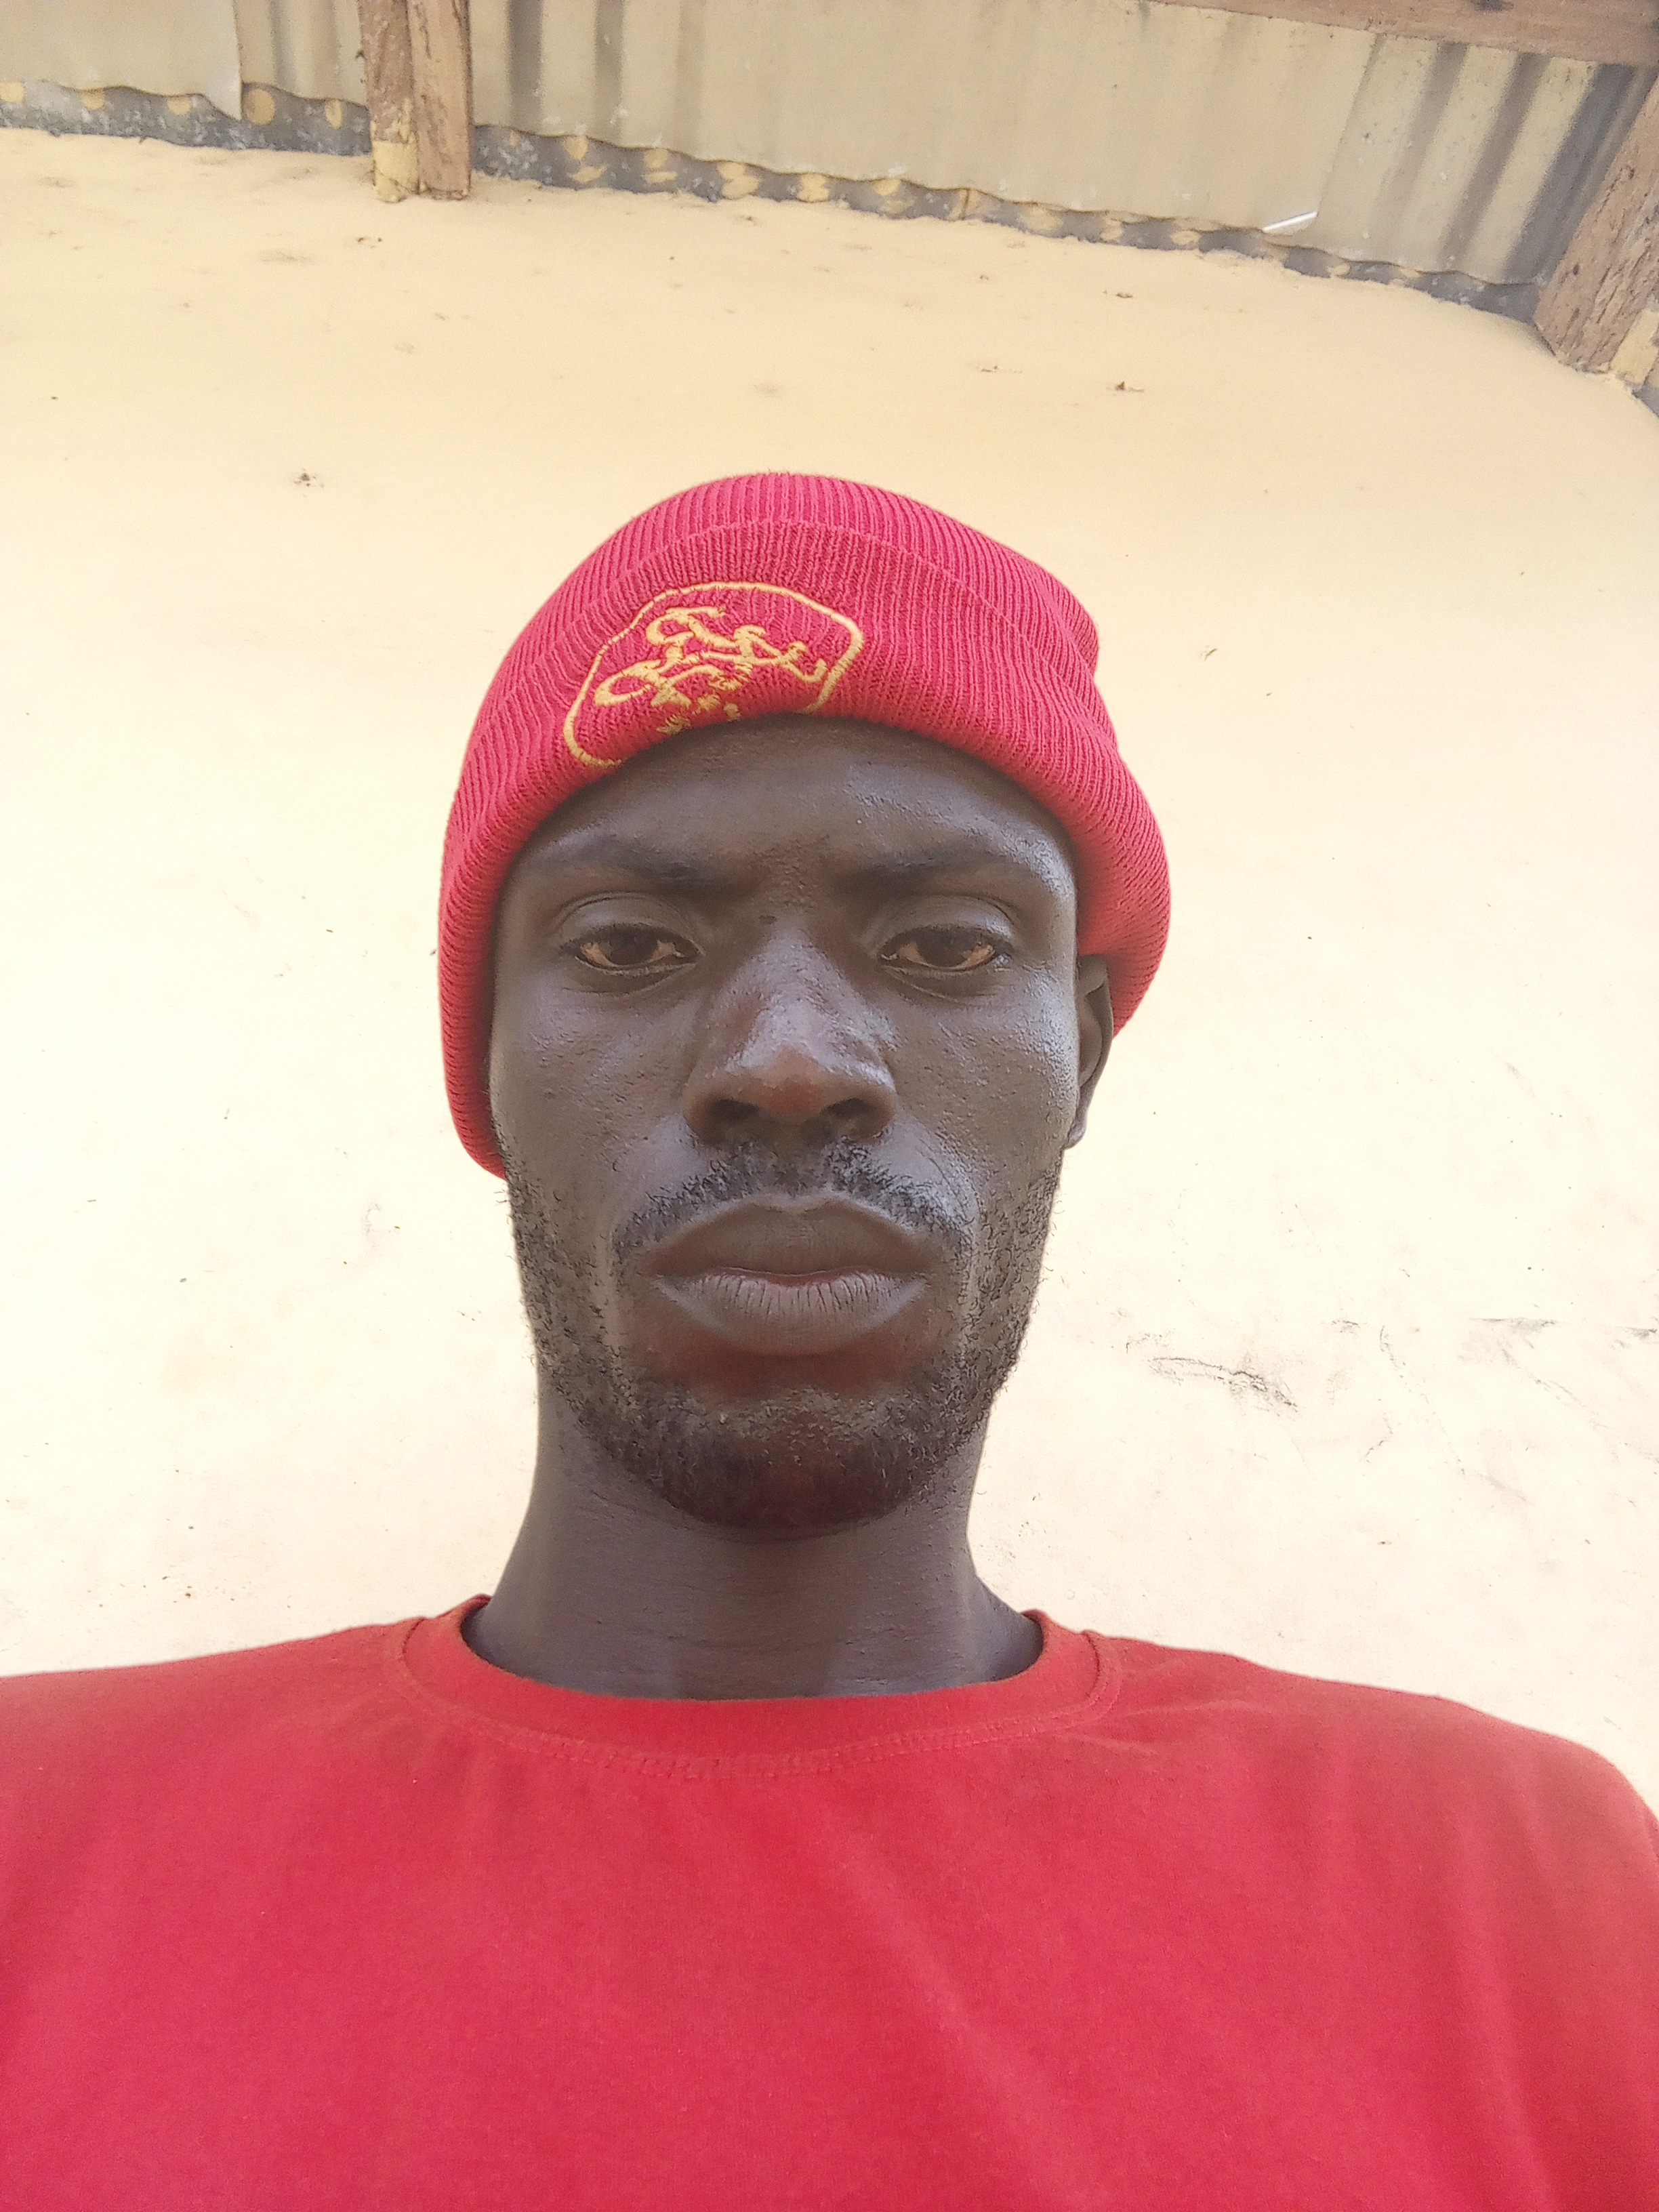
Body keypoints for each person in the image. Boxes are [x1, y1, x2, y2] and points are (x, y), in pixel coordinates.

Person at [2, 474, 1654, 2209]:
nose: (790, 1060)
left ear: (1083, 1056)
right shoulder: (42, 1847)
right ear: (483, 1062)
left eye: (945, 944)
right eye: (629, 944)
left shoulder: (1526, 1898)